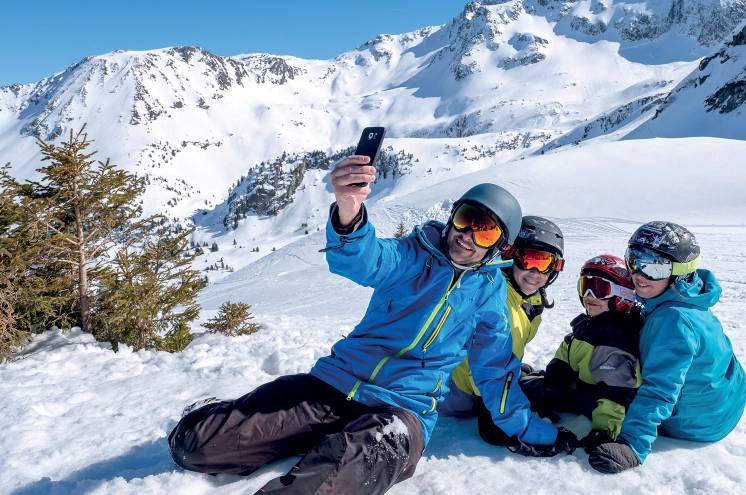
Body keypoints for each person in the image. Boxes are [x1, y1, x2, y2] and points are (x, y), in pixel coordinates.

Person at [167, 155, 576, 495]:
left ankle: (334, 449)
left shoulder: (489, 297)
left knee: (330, 483)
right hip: (334, 386)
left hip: (401, 413)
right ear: (453, 217)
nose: (468, 235)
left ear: (498, 246)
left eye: (485, 231)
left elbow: (496, 375)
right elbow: (362, 258)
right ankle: (221, 414)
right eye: (467, 218)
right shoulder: (414, 255)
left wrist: (536, 433)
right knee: (196, 446)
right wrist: (349, 209)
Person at [587, 221, 746, 474]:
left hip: (699, 424)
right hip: (725, 403)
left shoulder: (673, 320)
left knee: (602, 388)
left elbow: (660, 388)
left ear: (680, 272)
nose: (638, 275)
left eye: (653, 268)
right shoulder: (690, 300)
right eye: (634, 261)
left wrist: (632, 444)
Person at [440, 215, 566, 446]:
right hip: (455, 393)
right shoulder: (497, 299)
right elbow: (486, 375)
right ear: (511, 256)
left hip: (479, 383)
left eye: (544, 263)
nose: (535, 272)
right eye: (528, 260)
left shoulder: (529, 299)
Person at [540, 255, 643, 451]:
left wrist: (603, 431)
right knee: (529, 388)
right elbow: (564, 357)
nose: (589, 295)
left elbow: (616, 393)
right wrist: (552, 387)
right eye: (584, 286)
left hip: (598, 402)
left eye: (599, 288)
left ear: (623, 294)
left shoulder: (617, 338)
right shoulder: (587, 325)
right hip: (580, 389)